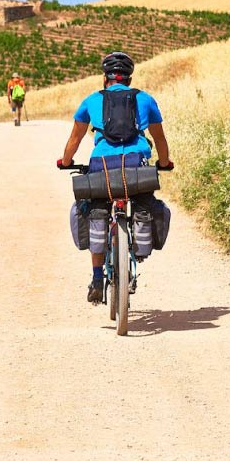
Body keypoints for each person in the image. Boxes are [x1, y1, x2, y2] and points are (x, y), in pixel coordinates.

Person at [58, 52, 173, 304]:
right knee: (144, 202)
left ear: (105, 78)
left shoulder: (91, 101)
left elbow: (74, 140)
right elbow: (160, 139)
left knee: (96, 210)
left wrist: (65, 162)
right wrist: (164, 162)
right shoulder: (145, 99)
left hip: (102, 167)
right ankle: (137, 245)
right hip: (136, 166)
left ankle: (97, 278)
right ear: (129, 78)